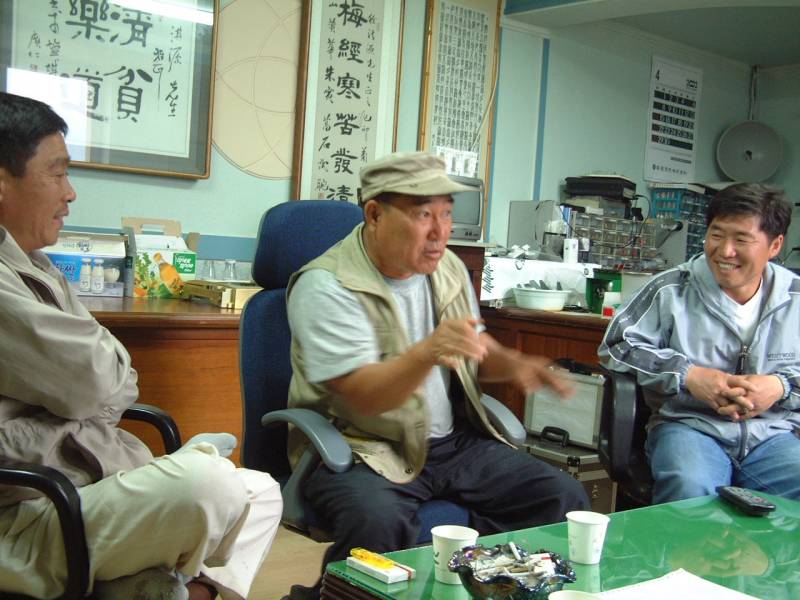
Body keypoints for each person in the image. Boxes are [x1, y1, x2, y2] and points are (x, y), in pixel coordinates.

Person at [0, 91, 282, 600]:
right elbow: (95, 381)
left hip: (84, 480)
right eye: (57, 173)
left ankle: (176, 584)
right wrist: (87, 394)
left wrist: (86, 394)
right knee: (210, 486)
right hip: (31, 510)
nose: (70, 193)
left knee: (261, 491)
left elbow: (116, 380)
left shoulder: (33, 263)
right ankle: (173, 580)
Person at [285, 152, 590, 600]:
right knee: (378, 524)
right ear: (374, 214)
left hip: (449, 444)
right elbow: (361, 398)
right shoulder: (327, 285)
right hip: (361, 447)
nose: (439, 232)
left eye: (446, 214)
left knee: (559, 497)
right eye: (422, 214)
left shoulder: (446, 268)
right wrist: (426, 352)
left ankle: (468, 582)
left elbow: (473, 347)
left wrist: (514, 363)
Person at [599, 183, 800, 504]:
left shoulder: (795, 297)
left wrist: (781, 386)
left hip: (773, 435)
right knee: (690, 488)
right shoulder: (671, 289)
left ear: (775, 245)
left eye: (741, 239)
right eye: (716, 235)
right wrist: (688, 376)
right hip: (689, 427)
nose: (725, 251)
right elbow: (617, 345)